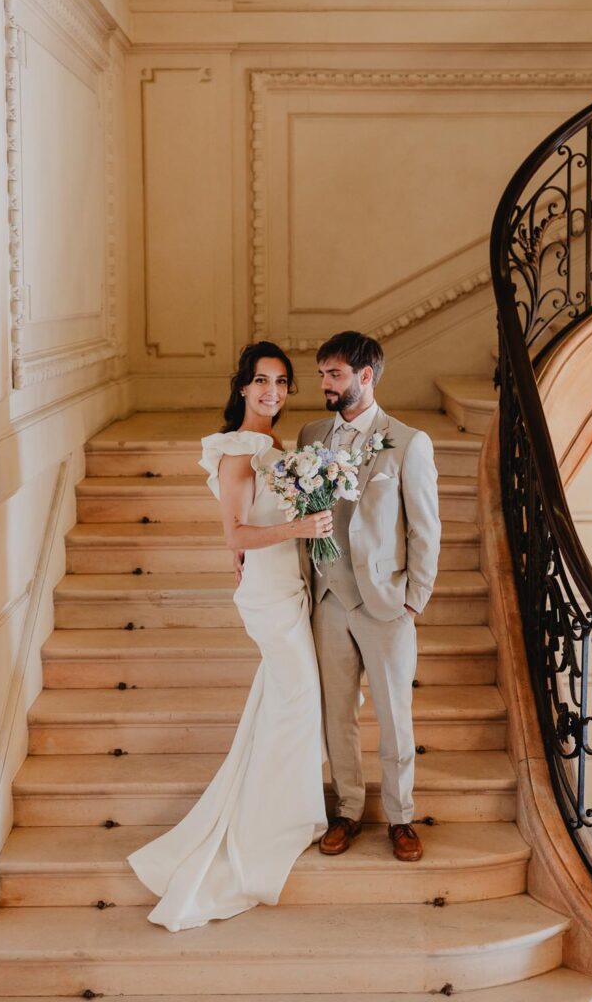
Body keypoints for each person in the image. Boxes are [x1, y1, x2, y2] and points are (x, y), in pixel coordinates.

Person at [127, 341, 329, 931]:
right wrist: (301, 526)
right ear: (242, 387)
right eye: (262, 381)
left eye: (282, 382)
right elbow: (237, 536)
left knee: (283, 704)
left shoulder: (271, 448)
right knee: (296, 704)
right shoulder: (239, 451)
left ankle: (287, 808)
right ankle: (272, 825)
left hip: (283, 586)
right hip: (268, 596)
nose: (272, 391)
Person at [298, 330, 440, 862]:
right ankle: (347, 811)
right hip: (328, 599)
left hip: (385, 602)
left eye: (333, 374)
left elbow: (426, 527)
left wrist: (414, 599)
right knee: (337, 713)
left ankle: (401, 818)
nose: (324, 384)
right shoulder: (311, 433)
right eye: (321, 374)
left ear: (365, 376)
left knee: (394, 714)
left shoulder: (407, 442)